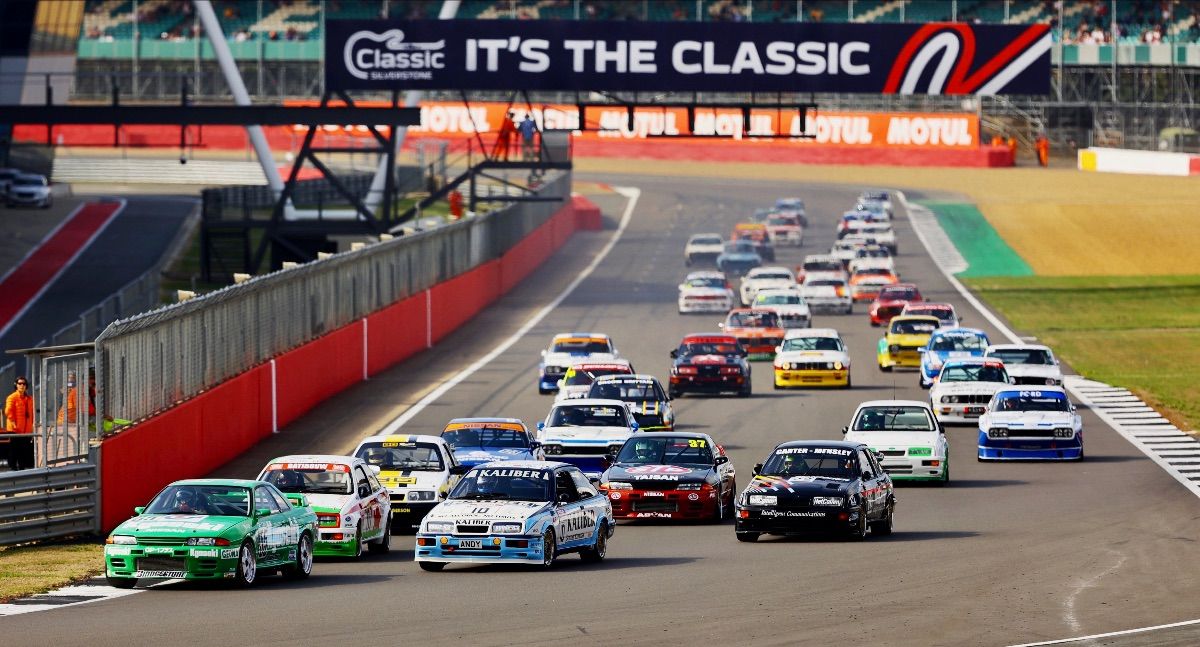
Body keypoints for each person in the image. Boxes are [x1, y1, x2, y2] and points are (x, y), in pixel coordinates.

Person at [4, 376, 34, 470]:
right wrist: (13, 423)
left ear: (26, 386)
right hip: (15, 430)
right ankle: (13, 469)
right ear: (16, 385)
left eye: (24, 384)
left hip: (26, 431)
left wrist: (32, 426)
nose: (22, 385)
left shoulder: (29, 399)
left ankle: (21, 469)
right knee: (14, 450)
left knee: (23, 451)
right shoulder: (12, 397)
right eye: (19, 383)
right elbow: (8, 411)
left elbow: (32, 414)